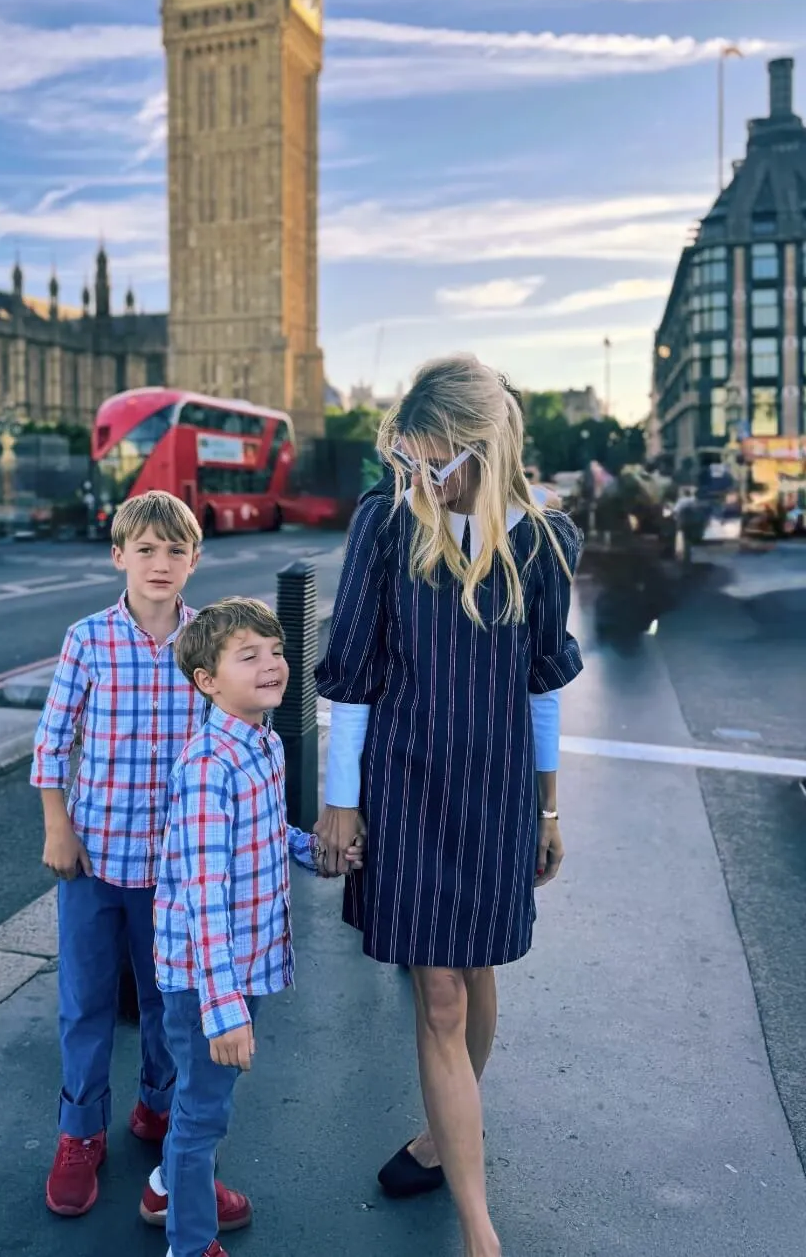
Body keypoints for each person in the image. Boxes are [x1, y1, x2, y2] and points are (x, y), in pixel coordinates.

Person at [315, 354, 583, 1257]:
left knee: (476, 971)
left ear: (484, 448)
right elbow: (352, 672)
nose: (419, 479)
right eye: (408, 460)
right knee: (437, 994)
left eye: (436, 463)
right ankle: (479, 1227)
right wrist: (341, 804)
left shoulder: (543, 545)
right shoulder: (386, 525)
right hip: (404, 787)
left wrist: (549, 810)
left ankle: (441, 1136)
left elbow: (542, 688)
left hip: (498, 793)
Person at [30, 490, 249, 1227]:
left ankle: (161, 1115)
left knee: (168, 1007)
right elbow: (52, 741)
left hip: (176, 872)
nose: (160, 563)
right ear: (118, 555)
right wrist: (57, 826)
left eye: (175, 550)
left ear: (196, 560)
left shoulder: (209, 644)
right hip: (94, 861)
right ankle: (79, 1132)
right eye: (145, 549)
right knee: (87, 1000)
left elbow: (233, 742)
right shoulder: (88, 639)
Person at [145, 597, 362, 1257]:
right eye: (249, 655)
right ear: (207, 680)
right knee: (202, 1112)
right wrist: (223, 1009)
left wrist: (311, 850)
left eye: (276, 651)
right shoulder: (208, 768)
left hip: (245, 966)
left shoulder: (262, 743)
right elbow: (203, 896)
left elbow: (264, 833)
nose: (271, 664)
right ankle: (189, 1241)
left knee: (203, 1101)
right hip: (208, 981)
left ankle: (171, 1187)